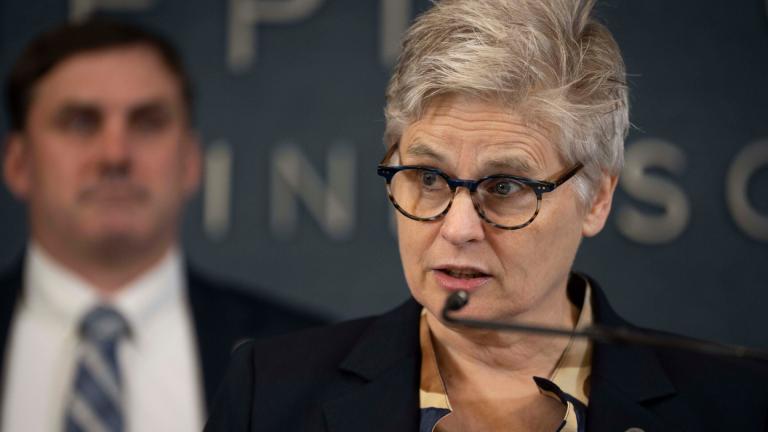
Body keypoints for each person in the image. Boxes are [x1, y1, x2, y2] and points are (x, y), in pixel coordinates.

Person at [205, 0, 768, 431]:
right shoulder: (272, 395)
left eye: (505, 186)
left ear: (597, 198)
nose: (457, 228)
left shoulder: (732, 403)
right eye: (428, 178)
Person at [0, 19, 323, 432]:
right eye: (81, 122)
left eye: (147, 122)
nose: (115, 154)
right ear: (18, 163)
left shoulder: (308, 360)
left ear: (190, 161)